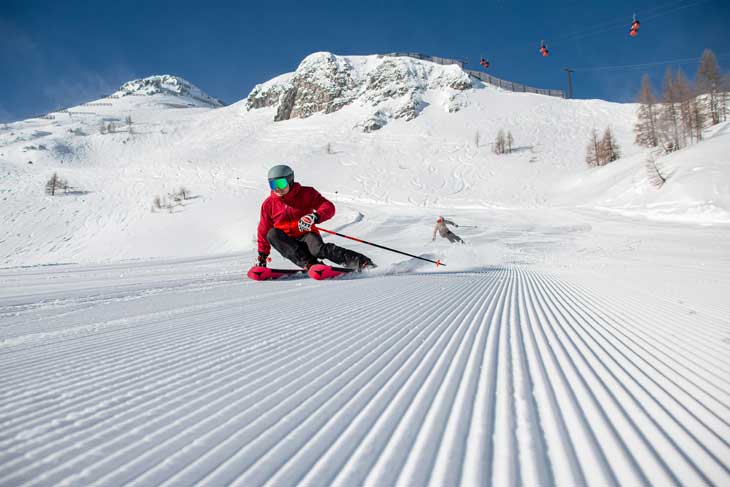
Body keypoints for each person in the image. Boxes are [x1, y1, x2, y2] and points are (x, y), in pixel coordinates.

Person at [256, 164, 375, 270]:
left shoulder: (306, 193)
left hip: (307, 235)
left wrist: (315, 216)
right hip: (288, 241)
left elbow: (328, 207)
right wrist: (262, 255)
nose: (277, 188)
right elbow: (263, 230)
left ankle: (361, 262)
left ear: (290, 180)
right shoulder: (268, 204)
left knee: (318, 250)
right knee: (272, 234)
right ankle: (311, 265)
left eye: (281, 183)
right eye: (273, 184)